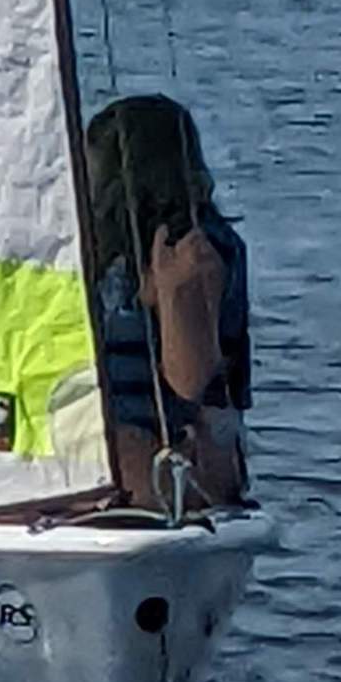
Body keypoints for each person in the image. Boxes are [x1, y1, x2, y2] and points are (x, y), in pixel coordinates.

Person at [85, 94, 250, 509]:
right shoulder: (96, 248)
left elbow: (191, 380)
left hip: (167, 456)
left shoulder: (197, 248)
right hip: (111, 449)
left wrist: (178, 294)